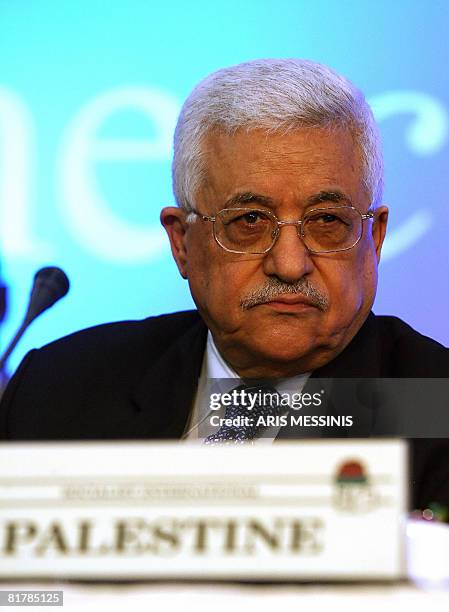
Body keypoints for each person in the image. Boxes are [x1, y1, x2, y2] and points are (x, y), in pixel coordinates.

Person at [0, 59, 448, 509]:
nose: (290, 264)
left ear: (374, 236)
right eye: (249, 221)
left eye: (327, 221)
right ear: (181, 242)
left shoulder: (437, 408)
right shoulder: (57, 390)